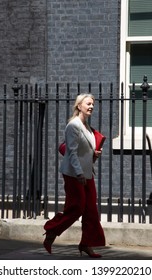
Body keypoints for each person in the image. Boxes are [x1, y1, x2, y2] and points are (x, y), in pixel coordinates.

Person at [43, 93, 105, 258]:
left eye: (93, 104)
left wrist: (95, 155)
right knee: (76, 208)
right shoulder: (73, 126)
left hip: (87, 173)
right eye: (88, 104)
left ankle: (86, 244)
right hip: (74, 174)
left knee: (91, 210)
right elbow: (71, 152)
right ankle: (51, 231)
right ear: (79, 106)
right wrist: (78, 173)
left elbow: (84, 153)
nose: (91, 106)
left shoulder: (88, 128)